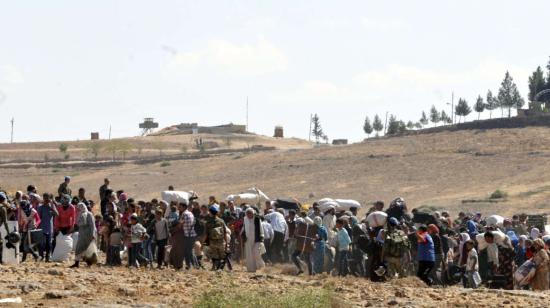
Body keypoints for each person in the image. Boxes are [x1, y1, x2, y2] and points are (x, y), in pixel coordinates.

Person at [70, 203, 97, 268]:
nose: (78, 209)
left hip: (88, 234)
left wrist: (93, 234)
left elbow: (92, 225)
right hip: (82, 234)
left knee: (88, 250)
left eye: (79, 208)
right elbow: (78, 224)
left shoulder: (89, 214)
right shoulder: (79, 214)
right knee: (79, 248)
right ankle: (76, 263)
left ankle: (89, 264)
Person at [203, 204, 227, 270]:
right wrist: (226, 242)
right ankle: (220, 268)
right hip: (221, 241)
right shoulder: (221, 221)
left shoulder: (208, 223)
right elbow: (225, 232)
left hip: (212, 242)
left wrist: (203, 243)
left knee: (214, 255)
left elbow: (206, 234)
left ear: (210, 212)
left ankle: (214, 267)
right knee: (221, 255)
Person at [241, 208, 265, 272]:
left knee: (256, 253)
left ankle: (261, 266)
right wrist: (241, 235)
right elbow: (244, 228)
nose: (249, 215)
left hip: (256, 238)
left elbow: (261, 228)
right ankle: (251, 269)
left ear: (253, 213)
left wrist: (262, 237)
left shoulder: (257, 219)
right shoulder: (245, 219)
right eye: (247, 213)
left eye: (250, 213)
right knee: (249, 254)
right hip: (248, 238)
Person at [36, 193, 58, 262]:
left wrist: (52, 206)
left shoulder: (52, 207)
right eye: (44, 198)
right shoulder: (41, 207)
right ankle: (41, 256)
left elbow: (57, 214)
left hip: (49, 228)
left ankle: (47, 258)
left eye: (47, 198)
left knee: (49, 244)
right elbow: (38, 218)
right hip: (42, 228)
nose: (46, 200)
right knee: (41, 244)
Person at [179, 202, 197, 270]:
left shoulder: (184, 214)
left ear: (184, 207)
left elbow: (180, 224)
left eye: (180, 207)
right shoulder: (190, 213)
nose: (179, 208)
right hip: (192, 234)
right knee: (190, 251)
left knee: (187, 251)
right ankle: (194, 265)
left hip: (187, 235)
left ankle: (189, 266)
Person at [0, 192, 11, 264]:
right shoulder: (2, 208)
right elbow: (5, 222)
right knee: (0, 243)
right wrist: (8, 232)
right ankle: (0, 260)